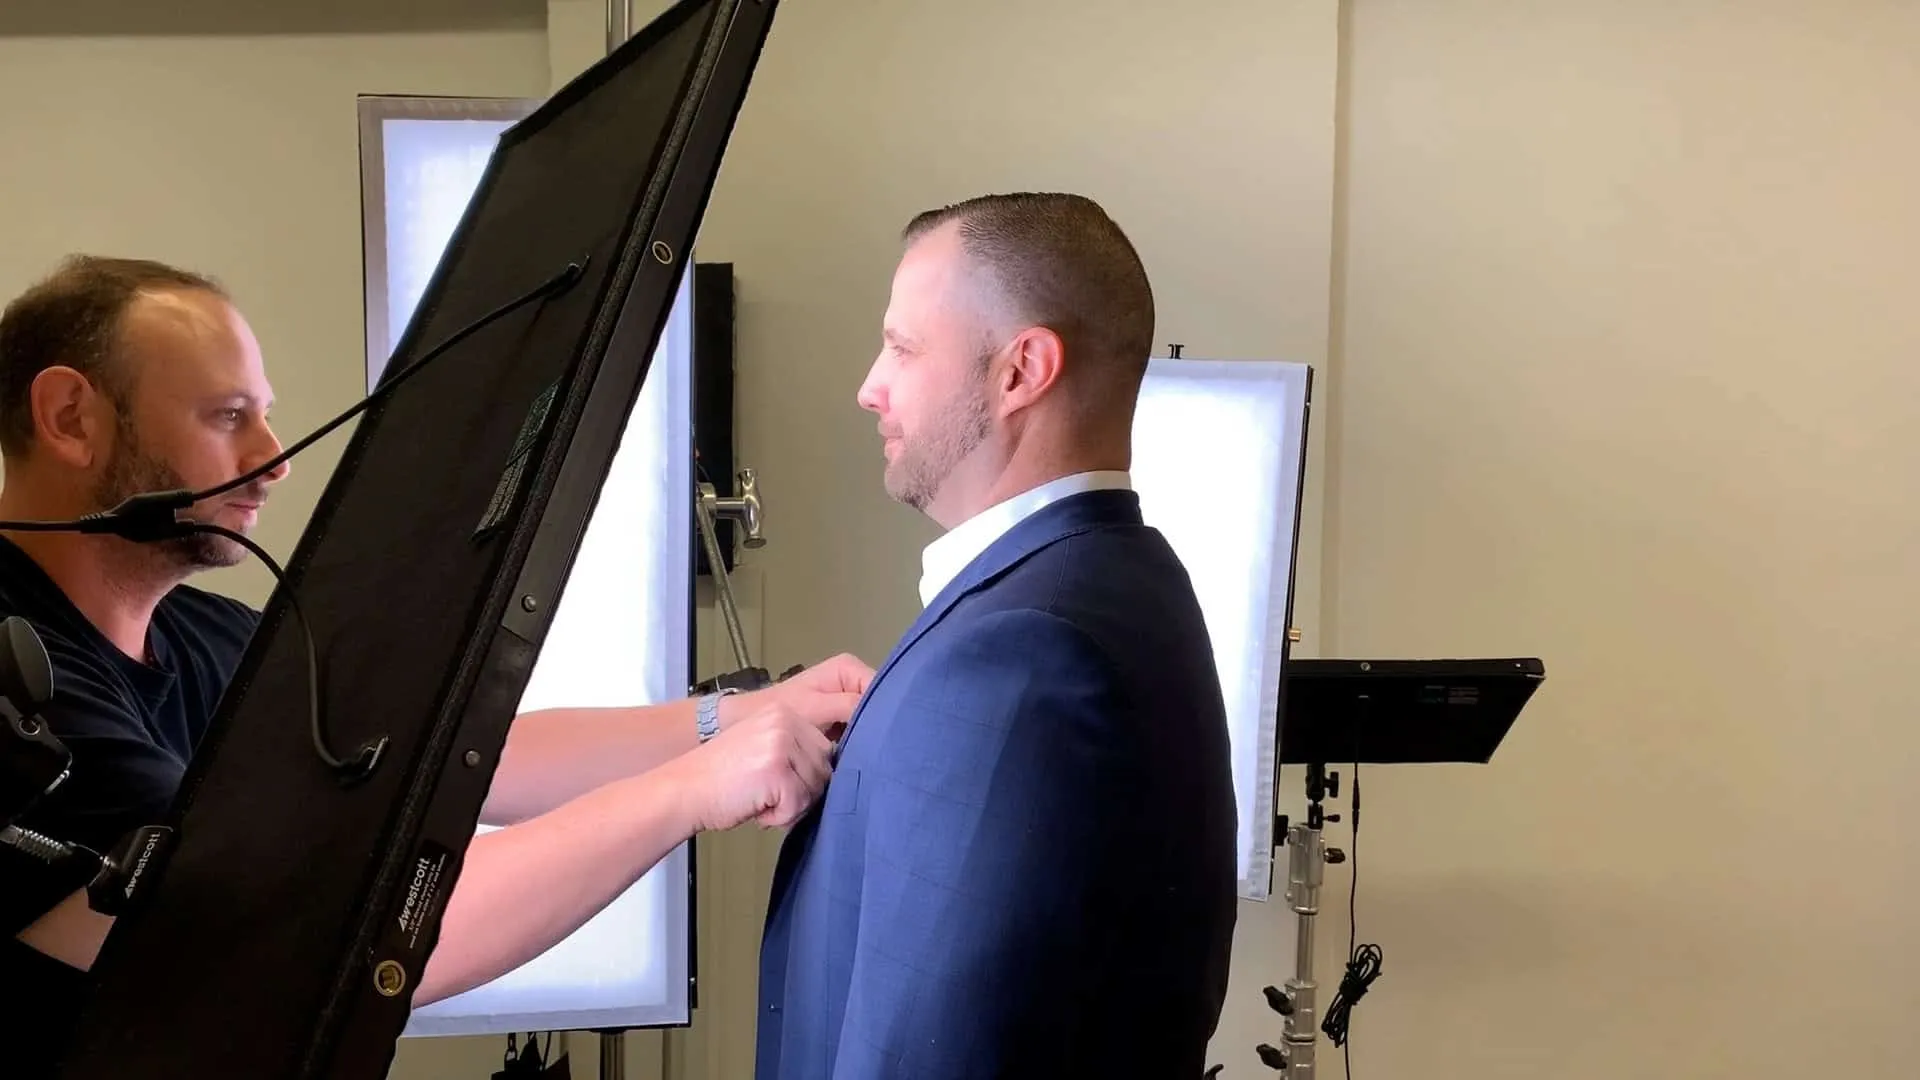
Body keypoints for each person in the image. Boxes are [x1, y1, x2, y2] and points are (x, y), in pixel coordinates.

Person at [0, 255, 871, 1075]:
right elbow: (345, 926)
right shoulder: (13, 677)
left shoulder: (209, 635)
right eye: (229, 417)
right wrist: (694, 791)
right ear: (71, 418)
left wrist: (729, 722)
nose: (273, 459)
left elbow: (459, 756)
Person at [754, 193, 1239, 1079]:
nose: (870, 385)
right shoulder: (1129, 580)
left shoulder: (1015, 659)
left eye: (903, 348)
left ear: (1021, 370)